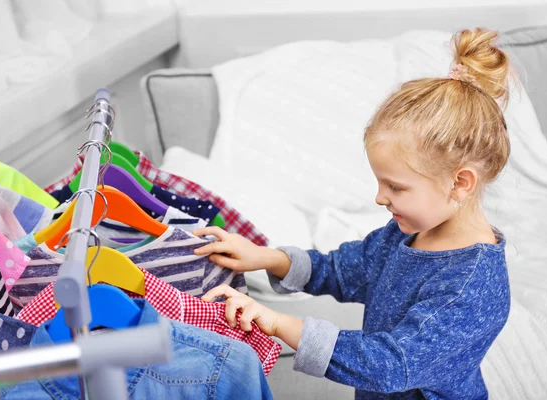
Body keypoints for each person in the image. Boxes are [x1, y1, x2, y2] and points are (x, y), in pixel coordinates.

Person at [193, 27, 513, 400]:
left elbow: (391, 364)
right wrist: (267, 257)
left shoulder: (472, 286)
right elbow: (343, 270)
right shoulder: (405, 235)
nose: (380, 198)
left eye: (396, 187)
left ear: (460, 183)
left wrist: (280, 323)